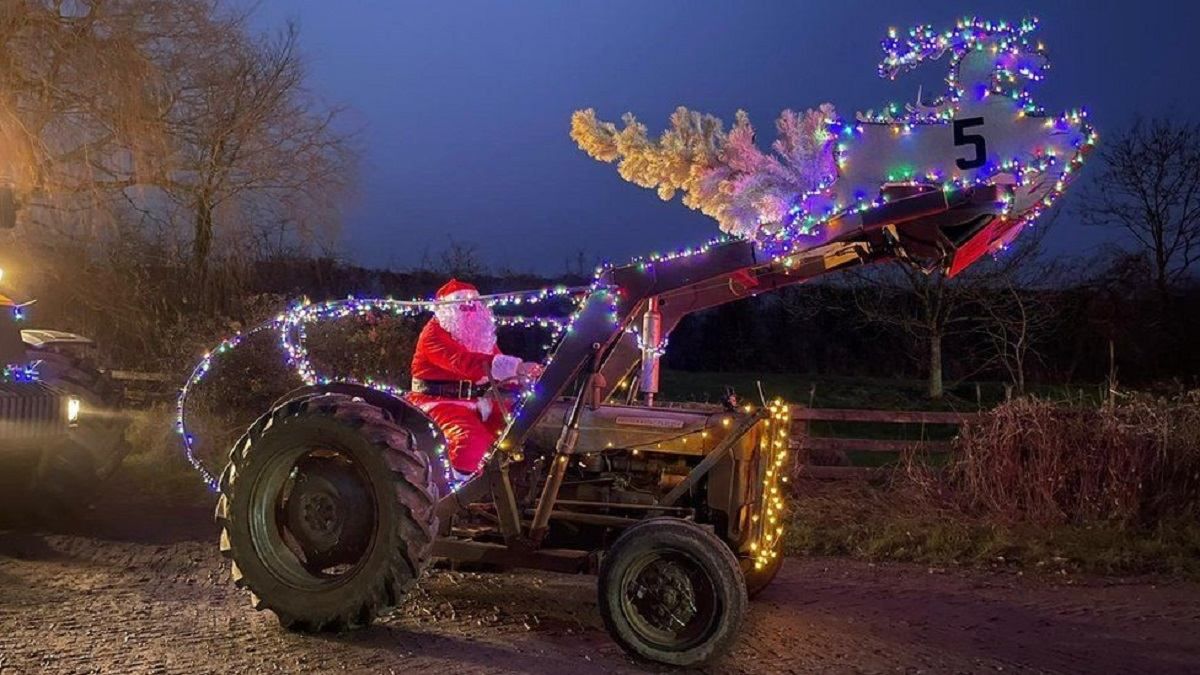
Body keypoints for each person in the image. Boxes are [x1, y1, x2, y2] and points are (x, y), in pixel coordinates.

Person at [408, 279, 543, 478]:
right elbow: (464, 362)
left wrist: (524, 376)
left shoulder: (480, 335)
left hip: (477, 402)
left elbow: (497, 364)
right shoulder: (433, 334)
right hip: (438, 402)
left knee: (520, 427)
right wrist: (517, 366)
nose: (470, 308)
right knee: (470, 442)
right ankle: (456, 497)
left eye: (474, 303)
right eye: (463, 303)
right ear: (448, 307)